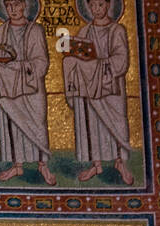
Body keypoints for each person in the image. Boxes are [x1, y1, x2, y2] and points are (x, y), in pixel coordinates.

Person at [0, 0, 54, 184]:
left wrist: (18, 68)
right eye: (8, 5)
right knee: (12, 125)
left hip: (31, 89)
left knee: (37, 124)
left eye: (16, 4)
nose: (13, 9)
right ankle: (17, 165)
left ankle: (43, 165)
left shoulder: (35, 30)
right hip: (8, 87)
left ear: (25, 5)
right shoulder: (2, 30)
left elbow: (41, 62)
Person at [64, 0, 132, 184]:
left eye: (100, 5)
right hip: (88, 88)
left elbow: (121, 59)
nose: (96, 9)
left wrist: (99, 65)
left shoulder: (116, 30)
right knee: (92, 123)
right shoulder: (85, 31)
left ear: (109, 5)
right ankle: (96, 164)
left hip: (111, 88)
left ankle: (120, 162)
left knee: (116, 122)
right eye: (92, 5)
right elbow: (76, 55)